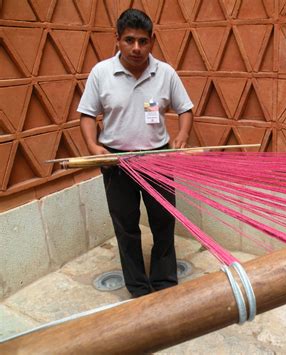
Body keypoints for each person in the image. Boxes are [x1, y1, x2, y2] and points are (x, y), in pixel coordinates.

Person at [77, 8, 193, 298]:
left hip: (158, 158)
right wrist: (94, 147)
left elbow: (186, 109)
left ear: (153, 40)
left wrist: (182, 136)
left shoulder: (165, 73)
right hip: (116, 161)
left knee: (163, 221)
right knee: (126, 226)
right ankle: (138, 287)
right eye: (129, 40)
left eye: (143, 41)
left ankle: (164, 282)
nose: (137, 48)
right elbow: (87, 115)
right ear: (117, 39)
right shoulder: (101, 73)